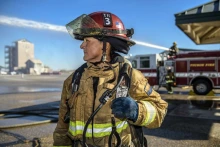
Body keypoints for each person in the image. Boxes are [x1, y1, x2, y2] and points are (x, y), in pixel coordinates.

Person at [53, 11, 168, 147]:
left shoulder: (130, 77)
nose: (82, 46)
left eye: (87, 41)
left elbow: (160, 111)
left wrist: (137, 111)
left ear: (105, 45)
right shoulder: (73, 81)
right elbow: (62, 127)